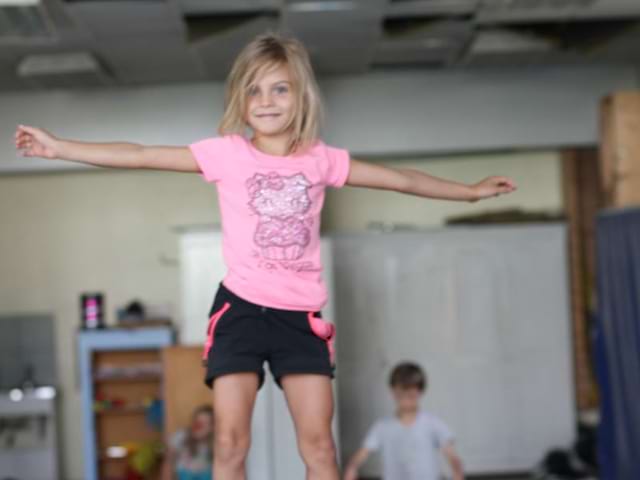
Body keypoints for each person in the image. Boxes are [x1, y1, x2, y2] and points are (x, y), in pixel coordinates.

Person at [14, 32, 515, 480]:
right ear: (240, 98)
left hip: (301, 318)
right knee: (231, 443)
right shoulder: (227, 154)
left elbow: (401, 179)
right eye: (254, 89)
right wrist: (59, 148)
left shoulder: (321, 159)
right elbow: (142, 153)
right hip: (241, 312)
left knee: (319, 447)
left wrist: (468, 193)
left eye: (280, 88)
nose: (267, 100)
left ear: (300, 95)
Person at [343, 362, 464, 480]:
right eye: (401, 395)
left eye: (411, 395)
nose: (406, 400)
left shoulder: (433, 423)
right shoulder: (381, 427)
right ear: (393, 391)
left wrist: (457, 472)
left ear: (420, 391)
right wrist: (351, 467)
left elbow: (453, 457)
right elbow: (362, 454)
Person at [165, 405, 214, 480]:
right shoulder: (181, 436)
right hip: (185, 475)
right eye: (197, 421)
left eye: (206, 423)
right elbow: (168, 462)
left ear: (212, 427)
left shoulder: (214, 443)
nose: (199, 426)